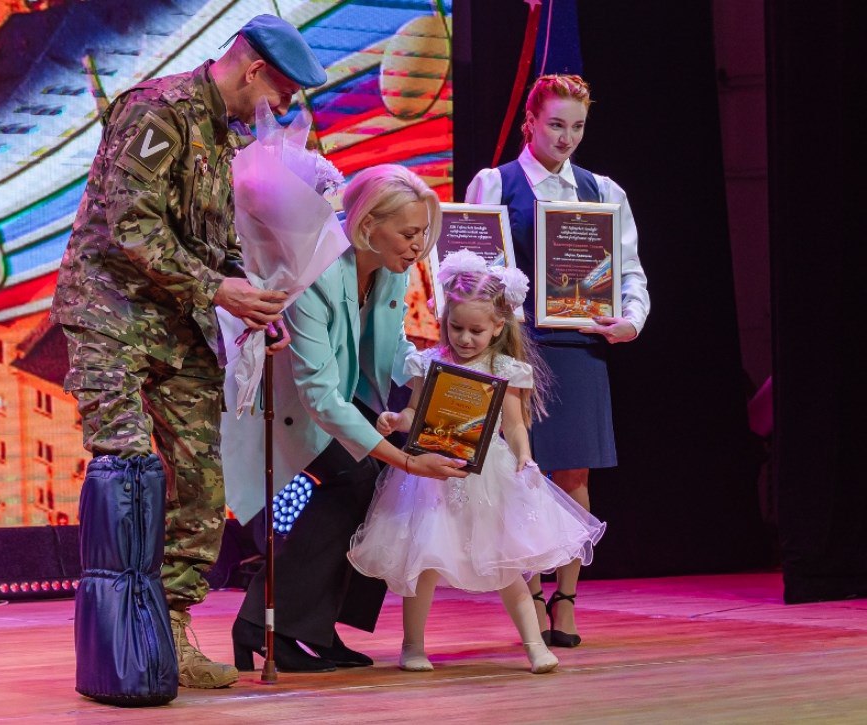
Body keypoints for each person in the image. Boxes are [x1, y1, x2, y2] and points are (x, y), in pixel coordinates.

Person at [50, 15, 327, 689]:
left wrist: (252, 300)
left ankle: (168, 632)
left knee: (200, 484)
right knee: (127, 470)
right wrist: (217, 289)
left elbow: (215, 240)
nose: (285, 106)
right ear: (254, 70)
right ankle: (120, 637)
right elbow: (131, 225)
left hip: (180, 324)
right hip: (111, 315)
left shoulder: (224, 134)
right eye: (284, 91)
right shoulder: (157, 110)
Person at [229, 164, 469, 673]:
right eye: (408, 233)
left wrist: (439, 375)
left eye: (423, 233)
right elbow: (318, 395)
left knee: (380, 483)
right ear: (367, 225)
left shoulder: (391, 267)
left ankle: (315, 625)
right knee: (358, 477)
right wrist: (407, 460)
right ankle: (264, 624)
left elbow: (392, 347)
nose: (418, 245)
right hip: (287, 405)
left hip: (342, 393)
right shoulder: (314, 273)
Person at [348, 250, 605, 674]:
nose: (465, 339)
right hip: (432, 474)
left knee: (506, 563)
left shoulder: (506, 369)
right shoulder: (431, 362)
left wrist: (525, 456)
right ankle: (413, 646)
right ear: (445, 321)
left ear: (498, 327)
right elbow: (416, 413)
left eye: (476, 330)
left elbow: (515, 425)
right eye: (456, 328)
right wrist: (397, 419)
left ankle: (534, 645)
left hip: (488, 474)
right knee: (424, 560)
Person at [465, 74, 650, 647]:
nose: (566, 137)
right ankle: (529, 596)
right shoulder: (495, 183)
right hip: (513, 347)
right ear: (530, 123)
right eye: (555, 125)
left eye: (577, 126)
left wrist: (631, 319)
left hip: (577, 346)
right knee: (519, 472)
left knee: (574, 474)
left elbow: (630, 272)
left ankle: (565, 600)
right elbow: (468, 265)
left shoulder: (603, 190)